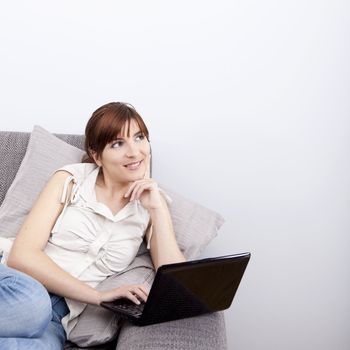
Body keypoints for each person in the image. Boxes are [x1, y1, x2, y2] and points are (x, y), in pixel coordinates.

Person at [0, 102, 186, 349]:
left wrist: (158, 209)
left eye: (139, 137)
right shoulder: (71, 179)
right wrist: (98, 297)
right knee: (34, 306)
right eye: (118, 144)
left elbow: (177, 287)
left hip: (58, 317)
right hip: (17, 286)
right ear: (97, 155)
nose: (134, 152)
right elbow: (22, 256)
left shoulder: (151, 204)